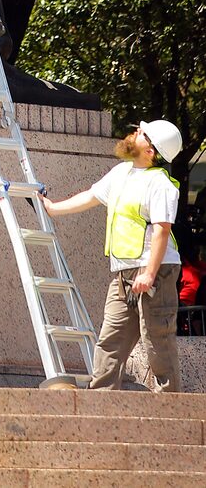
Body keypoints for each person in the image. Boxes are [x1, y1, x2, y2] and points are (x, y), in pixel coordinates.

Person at [42, 118, 183, 392]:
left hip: (156, 271)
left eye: (142, 133)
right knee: (110, 341)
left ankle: (172, 410)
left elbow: (161, 232)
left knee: (157, 342)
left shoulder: (160, 184)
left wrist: (150, 274)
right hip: (125, 273)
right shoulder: (121, 173)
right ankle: (100, 404)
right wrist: (52, 209)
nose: (135, 133)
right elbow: (91, 197)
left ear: (151, 151)